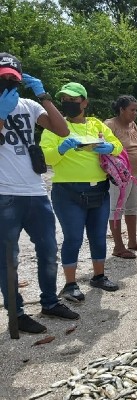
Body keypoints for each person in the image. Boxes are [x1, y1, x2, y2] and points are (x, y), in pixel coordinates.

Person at [0, 53, 79, 333]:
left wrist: (43, 95)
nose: (7, 83)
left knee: (47, 251)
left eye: (13, 78)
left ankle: (49, 301)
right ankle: (16, 313)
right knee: (8, 258)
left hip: (35, 192)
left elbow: (61, 129)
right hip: (4, 194)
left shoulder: (29, 105)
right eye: (3, 78)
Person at [40, 82, 123, 302]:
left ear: (84, 102)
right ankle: (70, 284)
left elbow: (117, 144)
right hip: (68, 192)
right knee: (73, 238)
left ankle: (99, 276)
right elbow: (46, 157)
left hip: (99, 190)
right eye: (65, 100)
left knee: (98, 236)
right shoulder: (54, 126)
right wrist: (61, 148)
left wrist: (110, 147)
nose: (68, 104)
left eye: (73, 100)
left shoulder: (96, 124)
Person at [104, 95, 137, 258]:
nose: (135, 113)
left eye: (136, 110)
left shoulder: (133, 125)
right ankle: (118, 246)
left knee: (132, 208)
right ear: (121, 110)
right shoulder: (109, 125)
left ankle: (132, 241)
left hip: (136, 174)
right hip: (119, 175)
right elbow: (104, 151)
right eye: (132, 110)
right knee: (116, 209)